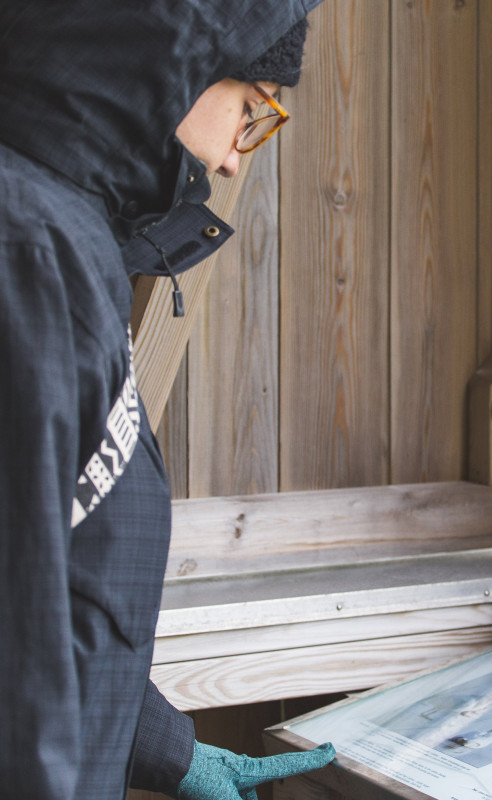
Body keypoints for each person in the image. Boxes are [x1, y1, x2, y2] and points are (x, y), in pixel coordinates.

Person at [0, 1, 335, 798]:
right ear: (167, 62)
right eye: (252, 109)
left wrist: (168, 749)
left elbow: (52, 590)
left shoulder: (67, 233)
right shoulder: (28, 253)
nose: (230, 160)